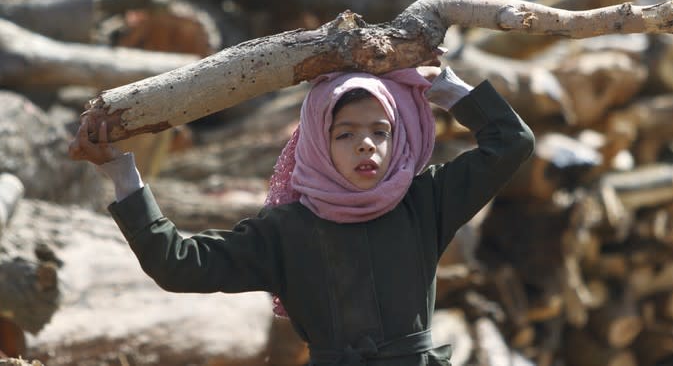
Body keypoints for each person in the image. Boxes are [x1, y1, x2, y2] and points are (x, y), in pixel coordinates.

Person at [68, 65, 535, 366]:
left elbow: (512, 143)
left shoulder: (423, 202)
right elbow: (179, 264)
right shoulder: (285, 231)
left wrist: (447, 87)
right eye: (345, 133)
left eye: (380, 131)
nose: (366, 144)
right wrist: (123, 175)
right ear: (316, 143)